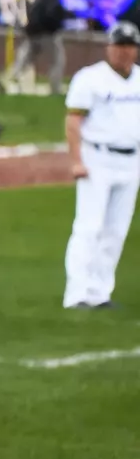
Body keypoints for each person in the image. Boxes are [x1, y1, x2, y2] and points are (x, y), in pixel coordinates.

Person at [63, 21, 140, 310]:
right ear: (109, 47)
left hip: (131, 161)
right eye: (119, 46)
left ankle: (100, 292)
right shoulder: (90, 79)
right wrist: (76, 161)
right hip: (98, 159)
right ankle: (77, 293)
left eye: (129, 46)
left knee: (116, 230)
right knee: (89, 226)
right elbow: (73, 121)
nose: (123, 52)